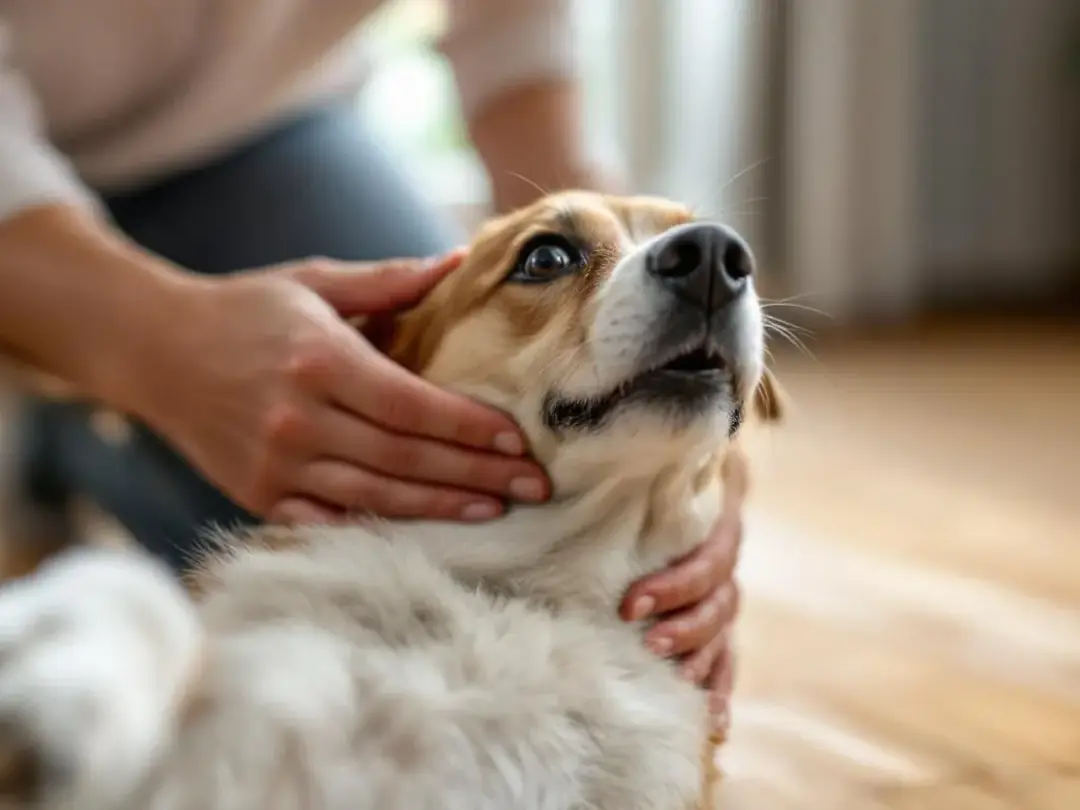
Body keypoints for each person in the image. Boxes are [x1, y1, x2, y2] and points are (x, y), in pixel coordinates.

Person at [0, 0, 742, 729]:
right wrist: (163, 348)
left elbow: (515, 32)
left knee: (383, 454)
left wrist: (673, 374)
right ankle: (67, 403)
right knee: (307, 543)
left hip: (247, 127)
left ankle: (70, 418)